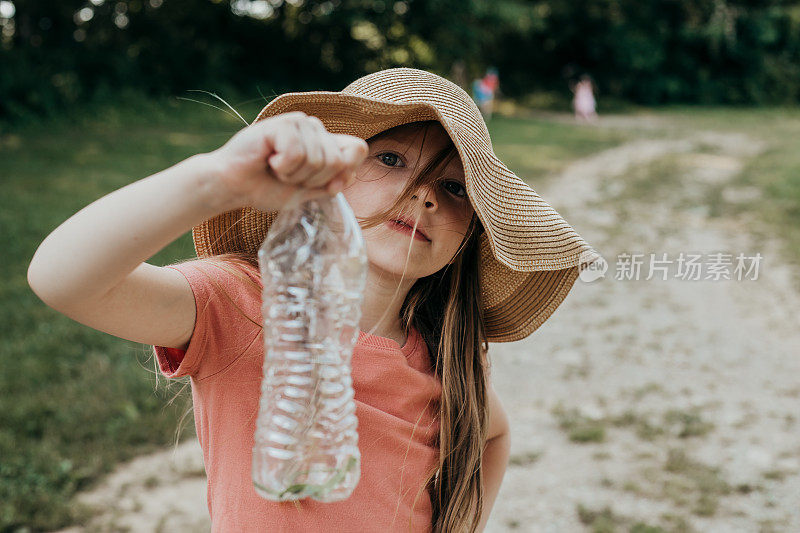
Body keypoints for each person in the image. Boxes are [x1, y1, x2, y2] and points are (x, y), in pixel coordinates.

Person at [27, 68, 599, 532]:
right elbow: (64, 279)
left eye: (453, 187)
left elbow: (492, 434)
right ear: (335, 173)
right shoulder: (245, 304)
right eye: (391, 159)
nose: (420, 195)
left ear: (470, 232)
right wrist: (216, 181)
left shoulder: (446, 353)